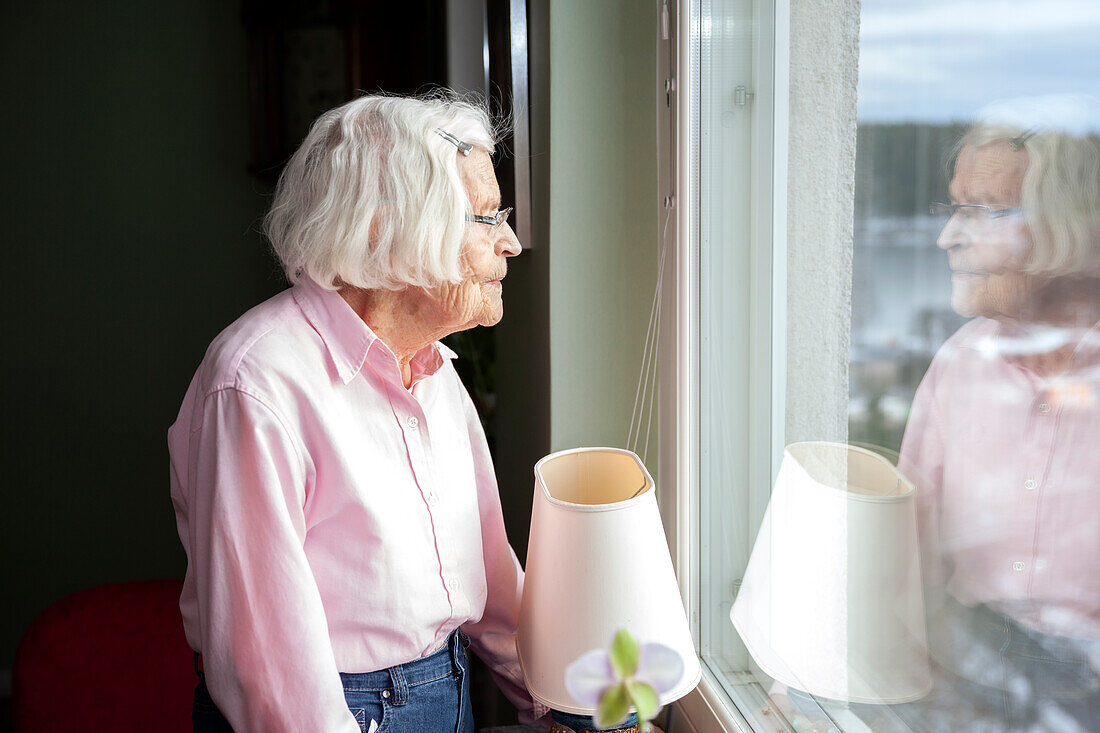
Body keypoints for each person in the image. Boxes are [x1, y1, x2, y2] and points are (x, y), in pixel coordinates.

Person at [167, 93, 544, 732]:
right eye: (483, 218)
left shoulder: (433, 370)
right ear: (385, 228)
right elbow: (272, 679)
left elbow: (489, 577)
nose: (509, 242)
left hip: (445, 693)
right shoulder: (257, 382)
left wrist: (562, 704)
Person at [897, 96, 1100, 731]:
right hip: (967, 672)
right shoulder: (960, 364)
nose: (947, 236)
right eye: (954, 207)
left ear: (1066, 225)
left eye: (982, 211)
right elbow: (906, 549)